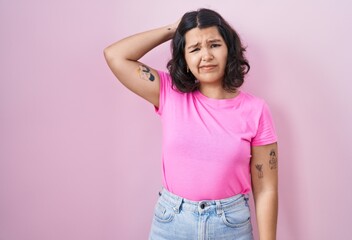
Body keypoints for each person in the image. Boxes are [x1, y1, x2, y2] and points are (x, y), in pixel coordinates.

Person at [104, 8, 278, 240]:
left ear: (229, 49)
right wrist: (174, 30)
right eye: (194, 48)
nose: (205, 55)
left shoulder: (255, 110)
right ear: (184, 58)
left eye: (214, 44)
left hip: (231, 225)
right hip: (172, 222)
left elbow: (266, 188)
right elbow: (115, 55)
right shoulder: (168, 92)